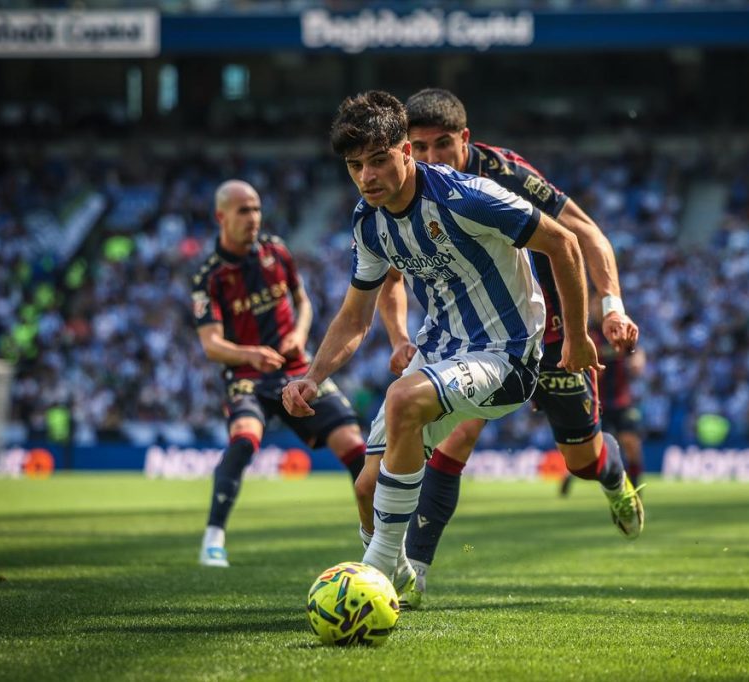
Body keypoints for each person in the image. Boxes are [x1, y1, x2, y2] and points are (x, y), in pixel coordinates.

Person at [281, 91, 601, 607]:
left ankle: (375, 574)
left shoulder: (468, 196)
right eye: (355, 165)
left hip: (508, 354)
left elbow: (563, 242)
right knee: (366, 489)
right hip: (439, 350)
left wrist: (581, 336)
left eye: (379, 160)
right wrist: (314, 376)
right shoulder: (369, 222)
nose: (367, 176)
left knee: (404, 399)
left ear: (407, 152)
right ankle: (401, 574)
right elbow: (354, 315)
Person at [372, 88, 643, 603]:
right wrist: (400, 338)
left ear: (466, 141)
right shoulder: (401, 188)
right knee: (453, 441)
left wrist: (611, 309)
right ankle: (413, 576)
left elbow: (582, 233)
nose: (430, 159)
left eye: (443, 145)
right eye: (419, 147)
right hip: (479, 335)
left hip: (555, 330)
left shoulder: (504, 174)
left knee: (580, 461)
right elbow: (387, 276)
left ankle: (611, 477)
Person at [192, 180, 366, 568]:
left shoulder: (276, 251)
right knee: (244, 439)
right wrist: (250, 354)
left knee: (354, 444)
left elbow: (302, 301)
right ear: (221, 217)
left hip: (297, 369)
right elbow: (211, 344)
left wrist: (299, 334)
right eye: (243, 210)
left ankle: (378, 542)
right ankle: (213, 539)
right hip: (247, 377)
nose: (253, 217)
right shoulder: (209, 276)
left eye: (256, 208)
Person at [562, 309, 646, 495]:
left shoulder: (619, 329)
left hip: (622, 400)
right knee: (593, 451)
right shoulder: (588, 333)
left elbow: (636, 352)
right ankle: (569, 476)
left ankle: (636, 491)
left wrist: (638, 360)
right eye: (596, 303)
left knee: (631, 444)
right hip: (598, 402)